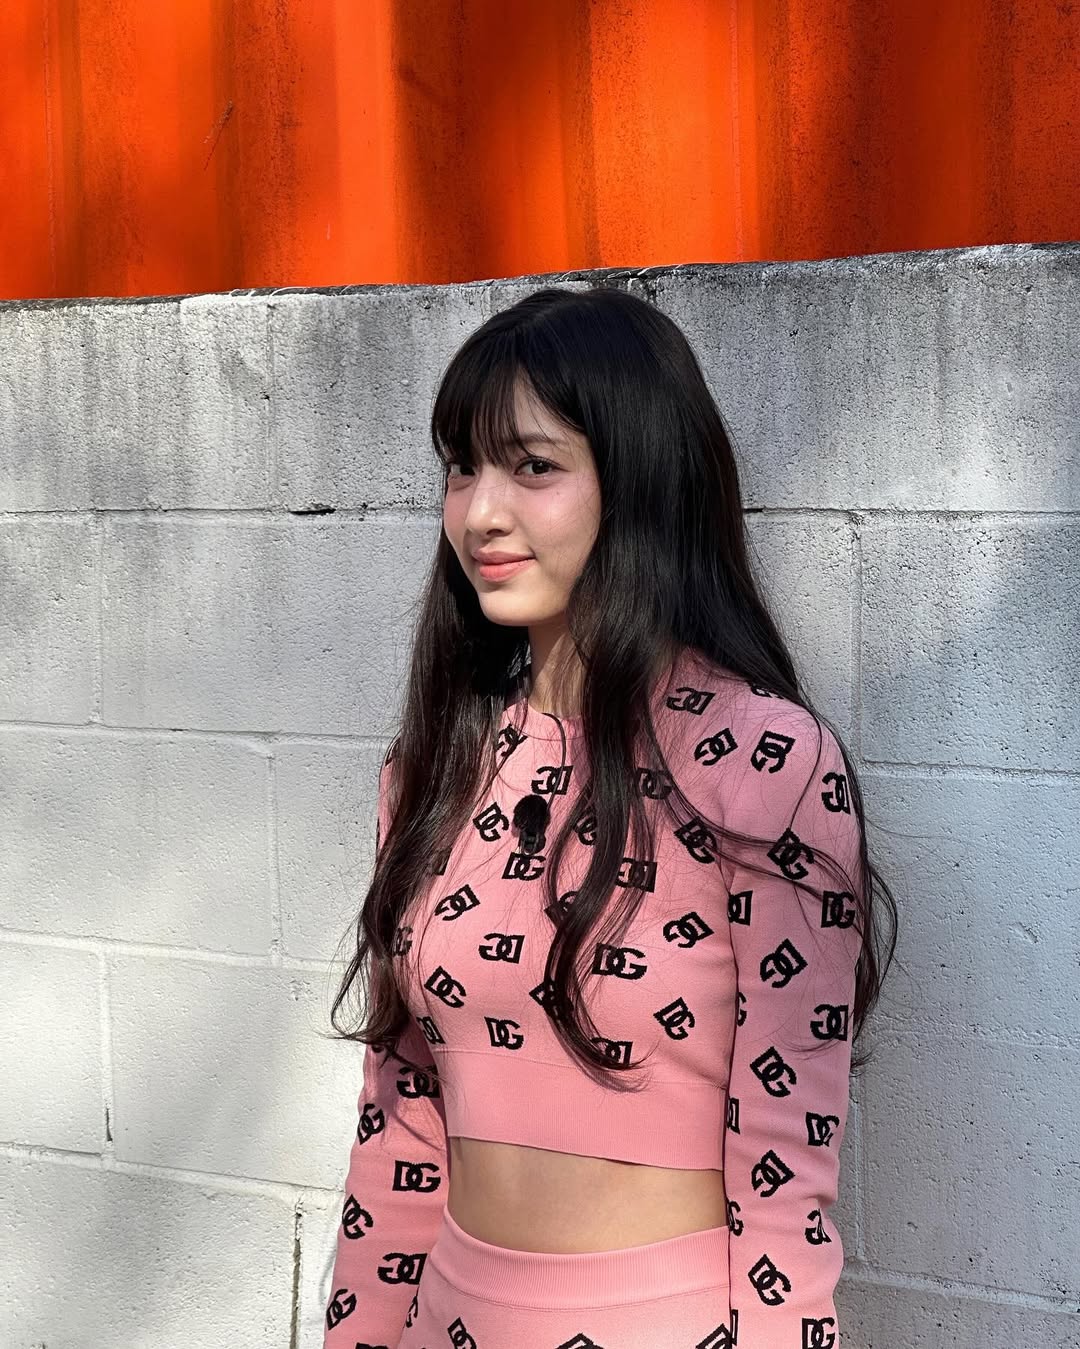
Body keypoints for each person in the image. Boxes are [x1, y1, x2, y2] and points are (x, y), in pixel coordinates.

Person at [323, 286, 896, 1348]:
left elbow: (787, 1162)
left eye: (532, 466)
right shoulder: (435, 764)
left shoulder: (764, 761)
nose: (480, 513)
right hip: (445, 1315)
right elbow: (399, 1112)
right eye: (462, 467)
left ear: (637, 481)